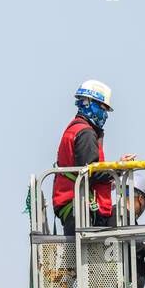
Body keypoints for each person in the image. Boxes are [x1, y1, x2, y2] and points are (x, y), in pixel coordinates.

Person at [52, 80, 124, 236]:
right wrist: (119, 168)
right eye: (103, 108)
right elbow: (91, 172)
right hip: (80, 210)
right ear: (90, 103)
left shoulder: (76, 128)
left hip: (76, 207)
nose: (105, 115)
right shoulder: (85, 133)